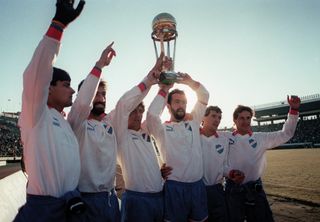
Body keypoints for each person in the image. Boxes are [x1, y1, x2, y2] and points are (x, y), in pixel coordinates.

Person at [15, 1, 86, 221]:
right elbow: (36, 73)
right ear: (48, 88)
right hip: (44, 212)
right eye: (66, 84)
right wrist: (58, 26)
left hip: (71, 208)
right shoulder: (36, 114)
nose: (72, 89)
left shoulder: (63, 121)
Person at [110, 53, 166, 222]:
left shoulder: (146, 130)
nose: (137, 115)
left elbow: (154, 112)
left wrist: (164, 89)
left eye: (139, 111)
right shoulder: (120, 133)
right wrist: (149, 78)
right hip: (136, 200)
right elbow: (123, 104)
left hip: (159, 197)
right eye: (133, 111)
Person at [226, 95, 301, 222]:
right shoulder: (225, 138)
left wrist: (293, 111)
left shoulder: (260, 138)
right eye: (241, 118)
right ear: (235, 120)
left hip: (255, 189)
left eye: (248, 118)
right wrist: (230, 173)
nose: (245, 121)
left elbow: (286, 134)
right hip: (233, 189)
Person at [67, 43, 120, 222]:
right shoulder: (77, 122)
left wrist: (151, 80)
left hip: (111, 198)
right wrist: (99, 65)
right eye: (96, 94)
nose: (101, 98)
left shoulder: (110, 122)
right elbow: (82, 103)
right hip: (85, 199)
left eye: (104, 94)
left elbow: (127, 102)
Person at [147, 74, 209, 222]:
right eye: (177, 102)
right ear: (168, 106)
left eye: (184, 102)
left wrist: (190, 82)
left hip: (197, 186)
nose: (181, 105)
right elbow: (151, 115)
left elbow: (204, 95)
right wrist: (164, 90)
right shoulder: (161, 129)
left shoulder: (194, 122)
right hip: (174, 188)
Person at [201, 106, 245, 222]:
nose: (217, 120)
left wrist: (232, 173)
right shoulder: (193, 136)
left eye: (219, 117)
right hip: (198, 189)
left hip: (217, 190)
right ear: (203, 117)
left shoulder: (224, 138)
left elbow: (223, 166)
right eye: (213, 116)